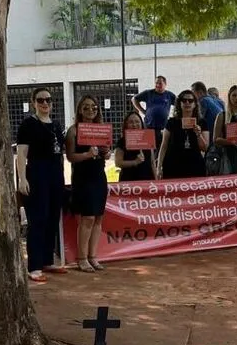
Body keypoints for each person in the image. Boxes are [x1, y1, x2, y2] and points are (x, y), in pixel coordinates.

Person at [15, 88, 67, 283]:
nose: (45, 103)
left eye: (48, 100)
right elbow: (21, 154)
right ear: (33, 102)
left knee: (53, 218)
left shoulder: (56, 124)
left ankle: (47, 260)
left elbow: (60, 152)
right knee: (38, 219)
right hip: (37, 174)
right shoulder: (28, 124)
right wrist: (22, 179)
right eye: (40, 100)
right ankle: (34, 266)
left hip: (55, 175)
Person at [66, 95, 110, 273]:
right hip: (83, 178)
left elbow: (105, 154)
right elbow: (70, 157)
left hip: (99, 176)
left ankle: (93, 256)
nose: (90, 110)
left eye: (94, 107)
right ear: (79, 110)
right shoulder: (73, 130)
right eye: (86, 107)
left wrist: (106, 154)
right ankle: (81, 258)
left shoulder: (101, 130)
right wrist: (87, 155)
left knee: (98, 218)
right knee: (87, 218)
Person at [156, 89, 209, 179]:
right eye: (184, 100)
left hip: (194, 165)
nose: (187, 103)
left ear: (195, 104)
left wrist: (198, 134)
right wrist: (159, 166)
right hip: (173, 165)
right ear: (179, 103)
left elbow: (205, 148)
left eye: (190, 100)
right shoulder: (172, 122)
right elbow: (164, 145)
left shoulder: (202, 122)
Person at [131, 75, 176, 149]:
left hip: (163, 128)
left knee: (162, 148)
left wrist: (175, 115)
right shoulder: (148, 93)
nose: (158, 85)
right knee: (149, 149)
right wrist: (142, 111)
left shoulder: (169, 95)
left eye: (160, 83)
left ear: (165, 84)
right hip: (149, 127)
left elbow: (179, 104)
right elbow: (134, 99)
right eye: (156, 83)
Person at [115, 111, 156, 182]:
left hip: (148, 180)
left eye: (137, 122)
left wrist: (156, 180)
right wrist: (135, 162)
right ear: (126, 125)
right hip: (129, 182)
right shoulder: (122, 141)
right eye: (131, 122)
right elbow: (118, 163)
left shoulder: (147, 138)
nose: (134, 124)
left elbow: (152, 162)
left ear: (141, 123)